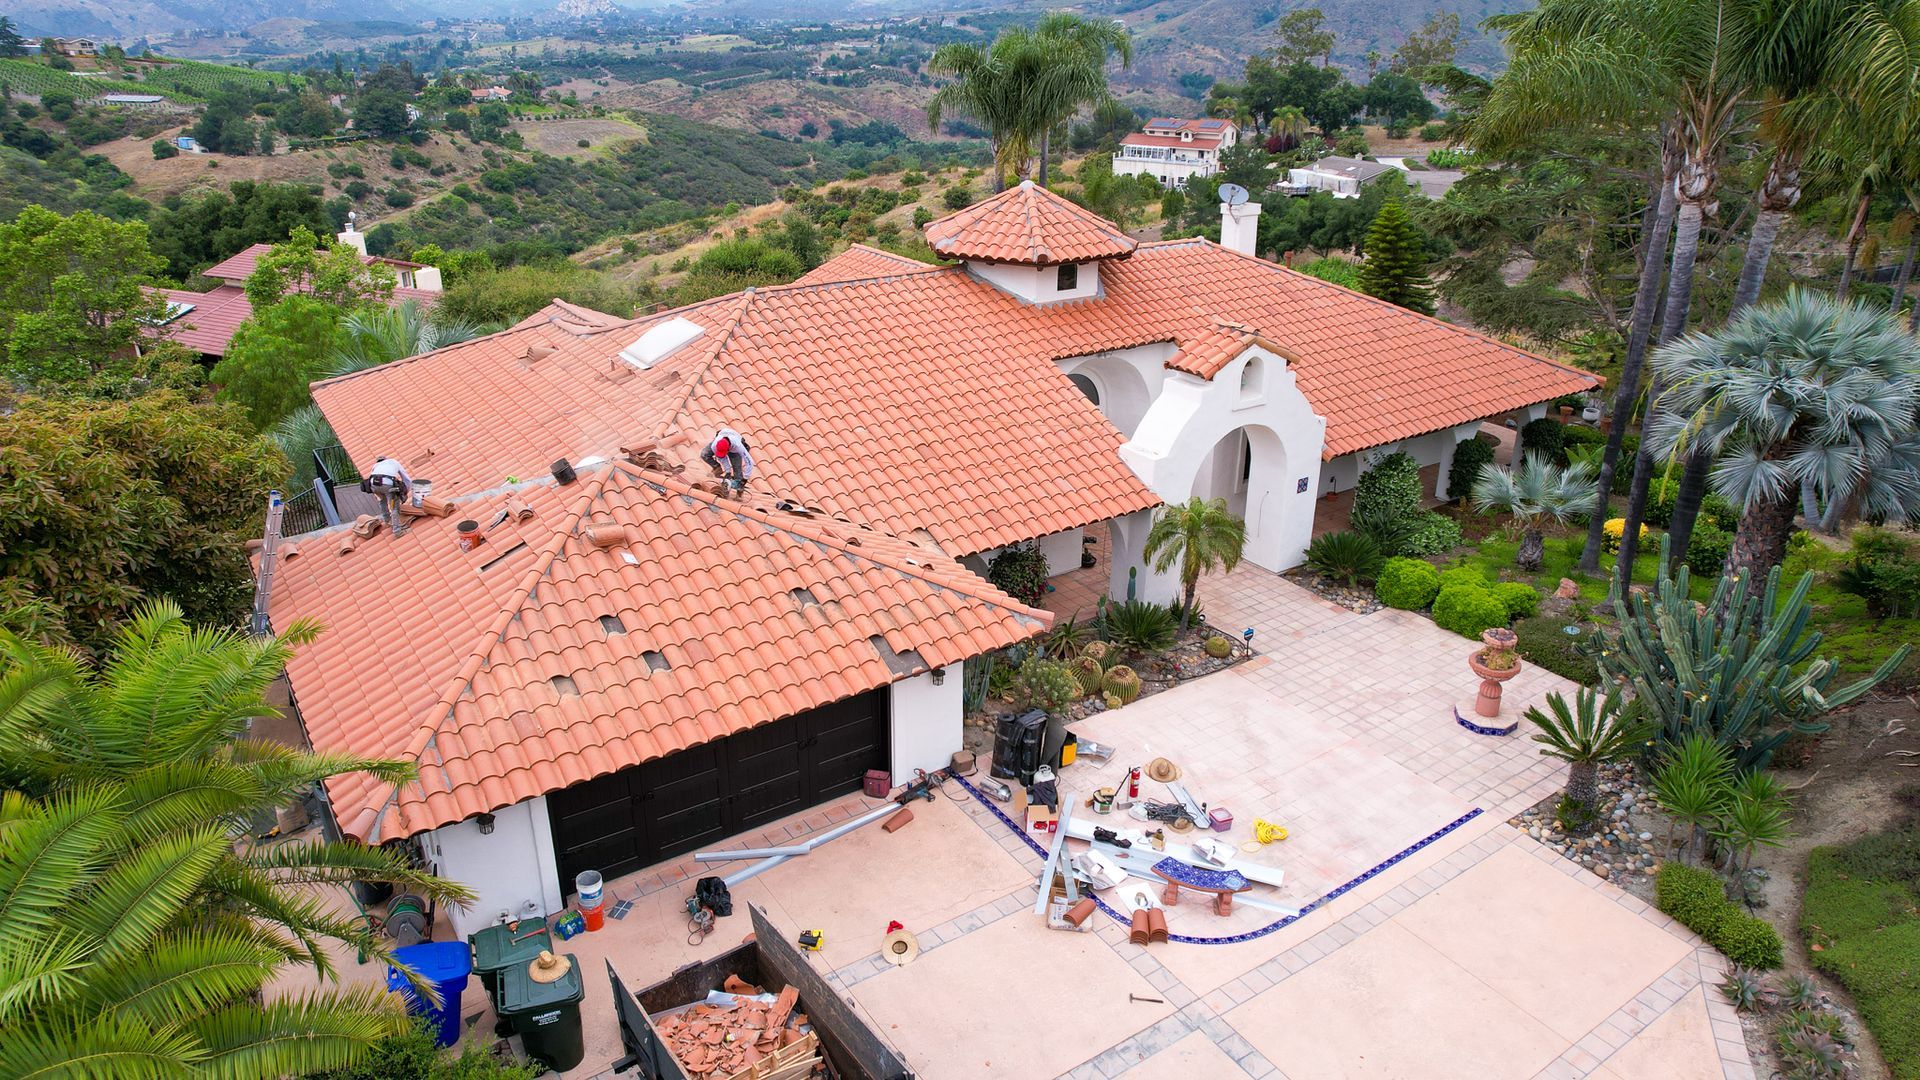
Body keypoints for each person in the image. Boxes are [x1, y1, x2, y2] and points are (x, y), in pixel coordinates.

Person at [363, 455, 411, 534]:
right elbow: (406, 479)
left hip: (373, 484)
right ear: (386, 459)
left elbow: (371, 476)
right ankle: (397, 531)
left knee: (382, 499)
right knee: (395, 507)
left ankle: (387, 520)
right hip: (388, 484)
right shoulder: (394, 462)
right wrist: (405, 491)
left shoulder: (376, 465)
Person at [701, 428, 753, 493]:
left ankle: (739, 492)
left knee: (737, 471)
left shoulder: (738, 446)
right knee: (704, 454)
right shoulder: (715, 445)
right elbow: (721, 457)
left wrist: (745, 479)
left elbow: (749, 462)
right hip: (723, 436)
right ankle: (717, 468)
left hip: (735, 445)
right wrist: (728, 471)